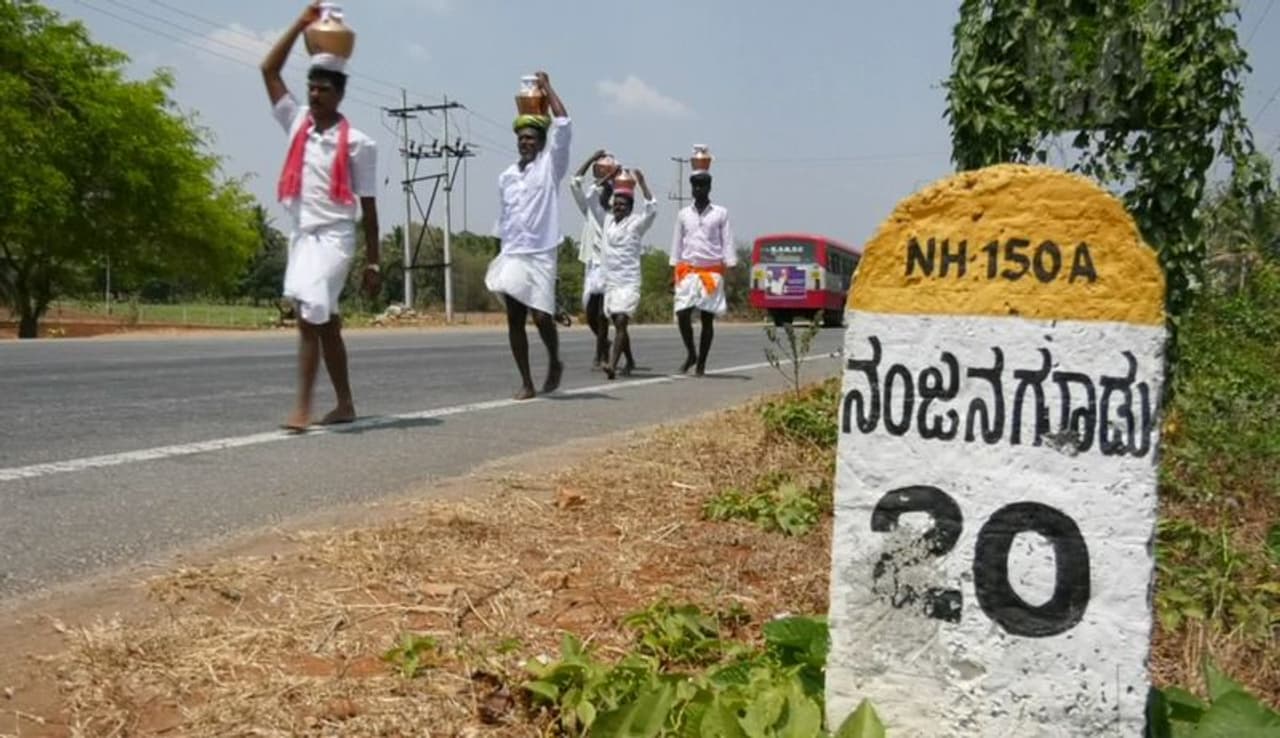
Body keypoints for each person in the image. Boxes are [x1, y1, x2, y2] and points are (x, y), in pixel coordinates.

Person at [261, 2, 380, 432]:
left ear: (340, 94)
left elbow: (369, 207)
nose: (314, 96)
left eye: (323, 90)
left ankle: (303, 407)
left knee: (310, 312)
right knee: (324, 320)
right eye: (310, 88)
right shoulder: (297, 124)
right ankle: (345, 403)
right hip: (302, 236)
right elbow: (269, 70)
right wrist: (300, 25)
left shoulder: (360, 144)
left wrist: (373, 261)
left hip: (335, 238)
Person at [485, 71, 570, 400]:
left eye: (532, 138)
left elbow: (564, 123)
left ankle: (554, 361)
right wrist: (498, 253)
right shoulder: (506, 177)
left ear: (542, 142)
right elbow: (503, 219)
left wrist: (547, 86)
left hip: (542, 252)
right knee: (515, 317)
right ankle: (527, 381)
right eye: (522, 139)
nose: (525, 143)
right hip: (513, 253)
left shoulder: (550, 167)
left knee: (541, 316)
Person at [588, 169, 657, 379]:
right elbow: (592, 199)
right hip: (610, 282)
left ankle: (612, 364)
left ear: (630, 207)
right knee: (616, 322)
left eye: (623, 205)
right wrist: (607, 178)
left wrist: (643, 184)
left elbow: (651, 210)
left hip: (629, 282)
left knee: (620, 321)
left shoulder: (636, 224)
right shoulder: (607, 221)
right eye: (616, 204)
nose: (618, 207)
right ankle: (629, 360)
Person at [669, 171, 735, 376]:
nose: (698, 189)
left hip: (711, 273)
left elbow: (727, 242)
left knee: (707, 319)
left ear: (709, 188)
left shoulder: (720, 213)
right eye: (695, 186)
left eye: (702, 186)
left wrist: (730, 267)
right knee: (682, 313)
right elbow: (677, 244)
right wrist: (673, 271)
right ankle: (691, 353)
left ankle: (701, 364)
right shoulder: (684, 214)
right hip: (688, 271)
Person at [570, 150, 617, 369]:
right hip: (591, 260)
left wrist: (613, 178)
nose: (599, 174)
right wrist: (591, 158)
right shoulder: (590, 199)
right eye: (598, 170)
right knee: (590, 313)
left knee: (603, 313)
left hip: (610, 261)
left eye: (604, 170)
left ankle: (603, 355)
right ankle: (606, 344)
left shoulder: (618, 201)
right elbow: (575, 182)